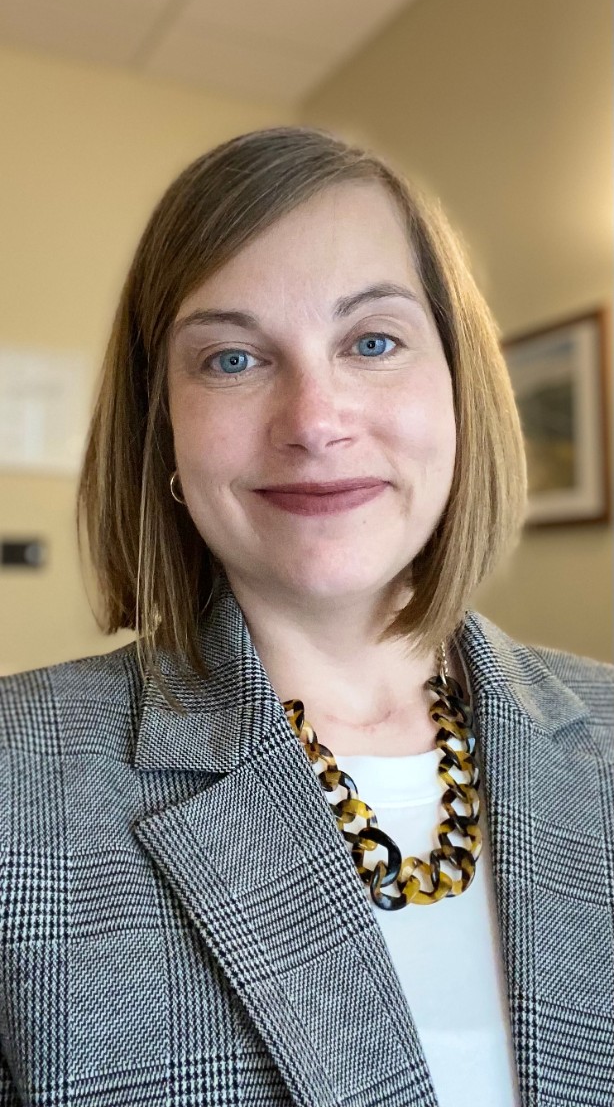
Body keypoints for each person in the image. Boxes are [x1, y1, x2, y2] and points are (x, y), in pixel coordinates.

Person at [0, 126, 612, 1107]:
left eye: (371, 341)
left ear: (458, 391)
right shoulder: (16, 778)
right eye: (233, 358)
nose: (314, 418)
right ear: (161, 427)